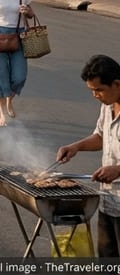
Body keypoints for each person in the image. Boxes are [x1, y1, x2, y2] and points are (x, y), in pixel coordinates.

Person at [57, 54, 120, 256]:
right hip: (108, 200)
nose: (96, 95)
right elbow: (101, 137)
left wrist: (118, 170)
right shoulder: (107, 106)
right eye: (92, 91)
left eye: (99, 90)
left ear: (117, 84)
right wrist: (75, 147)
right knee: (107, 259)